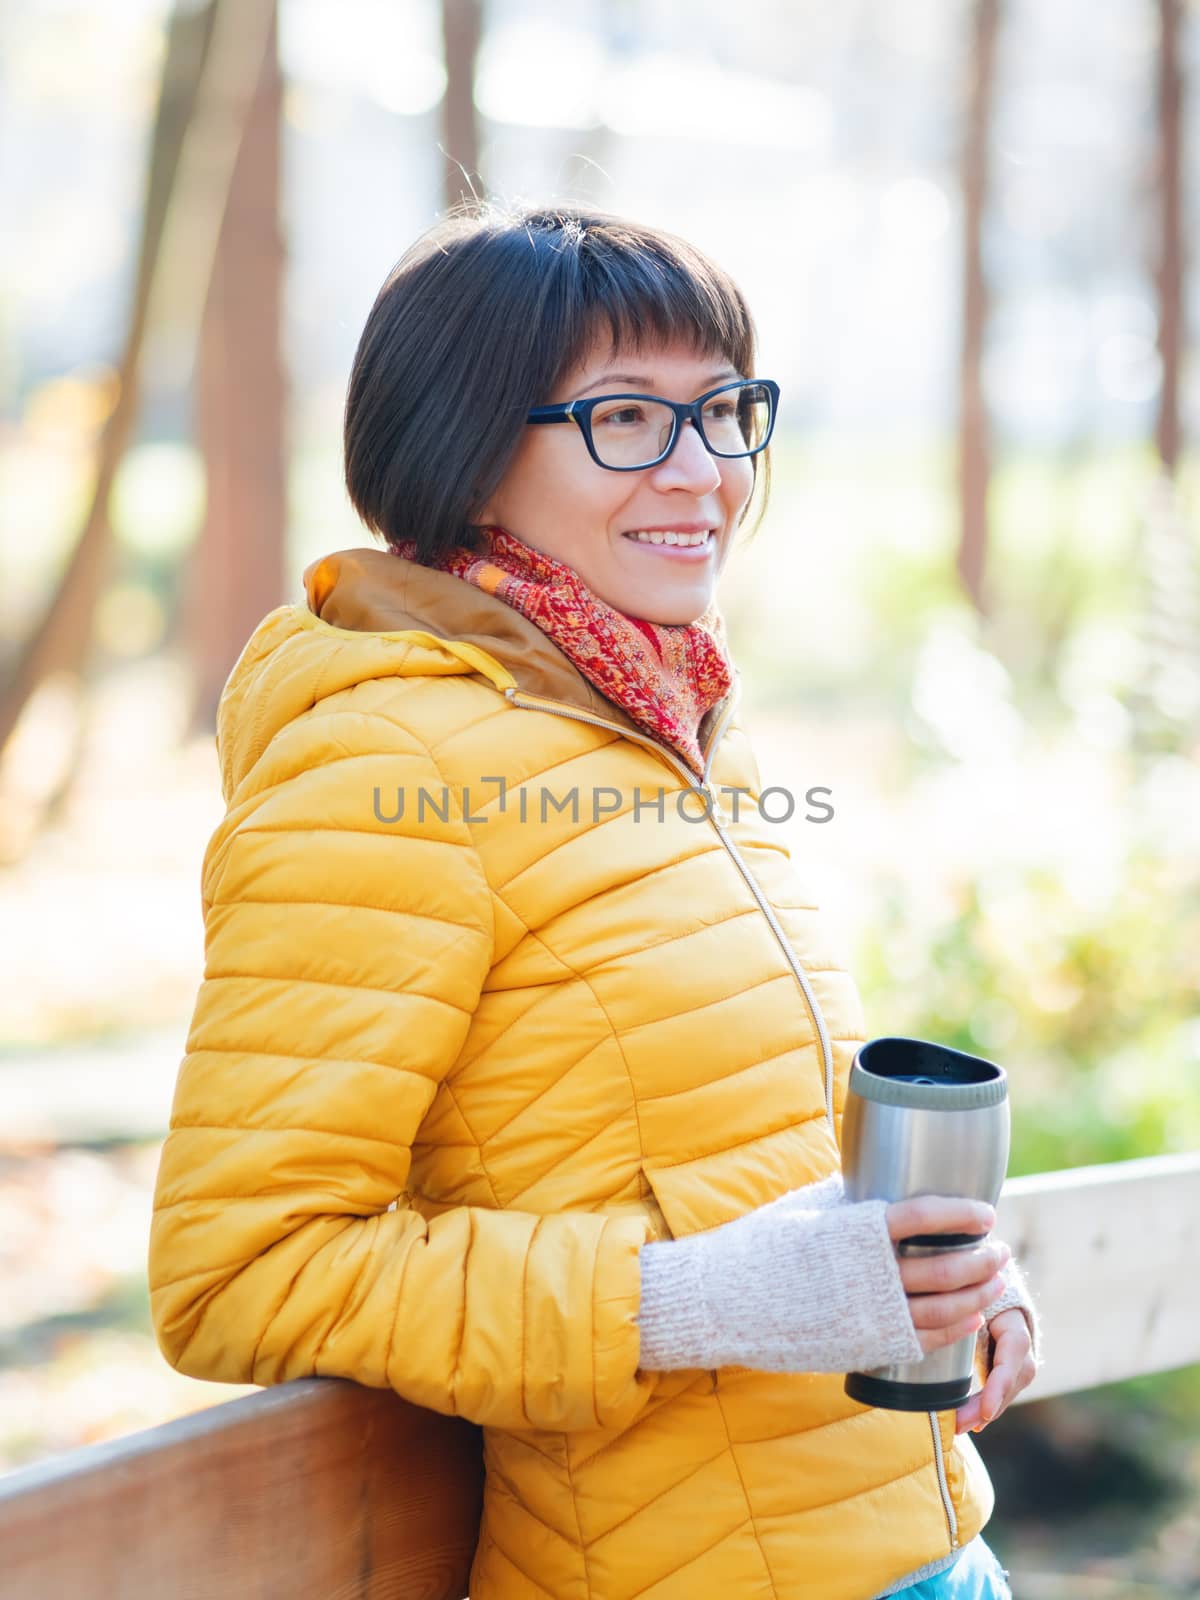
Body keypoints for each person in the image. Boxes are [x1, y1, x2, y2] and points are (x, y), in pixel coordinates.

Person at [148, 203, 1039, 1600]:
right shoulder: (384, 762)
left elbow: (699, 1136)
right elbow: (241, 1270)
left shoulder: (659, 711)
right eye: (626, 418)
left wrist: (933, 1273)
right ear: (465, 447)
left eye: (725, 411)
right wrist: (701, 1301)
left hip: (919, 1548)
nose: (705, 474)